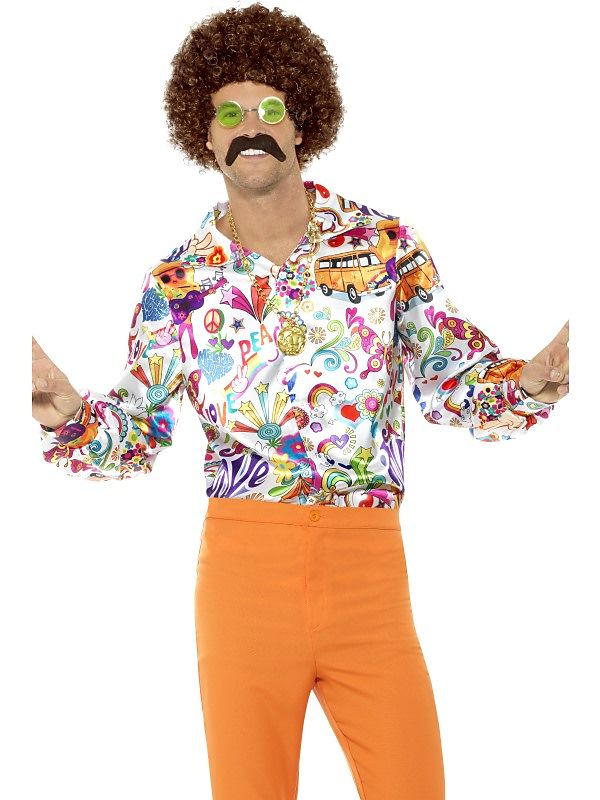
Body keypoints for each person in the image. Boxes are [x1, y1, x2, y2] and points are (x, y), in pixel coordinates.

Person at [31, 4, 570, 798]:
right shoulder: (177, 284)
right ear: (203, 136)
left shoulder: (383, 248)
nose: (250, 127)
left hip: (370, 576)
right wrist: (65, 413)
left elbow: (450, 375)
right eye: (229, 114)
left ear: (303, 122)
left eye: (270, 109)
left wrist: (523, 384)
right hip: (243, 579)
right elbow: (138, 431)